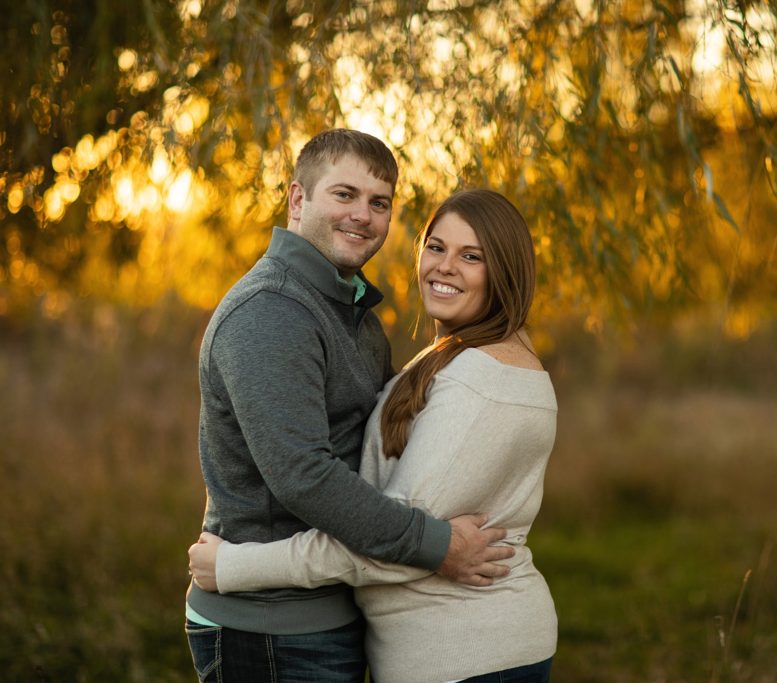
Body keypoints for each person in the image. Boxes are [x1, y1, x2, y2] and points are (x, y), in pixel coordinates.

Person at [189, 188, 558, 682]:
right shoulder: (457, 355)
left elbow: (393, 543)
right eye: (436, 246)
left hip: (462, 653)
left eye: (471, 257)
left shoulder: (481, 384)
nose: (445, 266)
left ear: (506, 273)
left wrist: (236, 568)